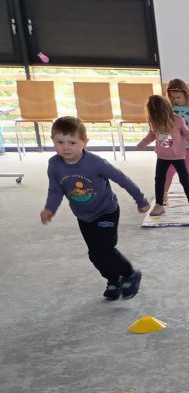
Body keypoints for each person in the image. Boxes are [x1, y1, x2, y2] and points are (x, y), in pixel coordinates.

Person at [40, 117, 149, 300]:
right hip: (83, 216)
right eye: (59, 142)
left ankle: (129, 273)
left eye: (72, 142)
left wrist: (140, 199)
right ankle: (113, 280)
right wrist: (50, 208)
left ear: (85, 142)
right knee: (95, 255)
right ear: (52, 141)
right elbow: (55, 189)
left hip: (106, 211)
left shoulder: (95, 163)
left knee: (104, 249)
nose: (66, 147)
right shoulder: (54, 165)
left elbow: (121, 179)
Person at [137, 95, 189, 216]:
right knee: (159, 180)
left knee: (184, 179)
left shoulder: (178, 120)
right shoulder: (154, 122)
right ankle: (159, 205)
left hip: (178, 156)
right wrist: (143, 143)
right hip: (162, 156)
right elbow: (151, 135)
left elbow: (188, 134)